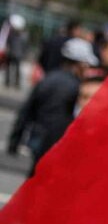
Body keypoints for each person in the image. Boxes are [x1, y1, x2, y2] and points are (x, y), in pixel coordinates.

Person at [6, 36, 98, 176]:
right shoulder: (77, 87)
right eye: (86, 64)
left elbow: (26, 112)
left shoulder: (47, 79)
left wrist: (15, 140)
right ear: (79, 64)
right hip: (60, 144)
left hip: (38, 139)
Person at [1, 14, 28, 89]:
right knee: (9, 69)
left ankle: (15, 83)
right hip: (12, 54)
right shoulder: (13, 35)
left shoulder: (22, 36)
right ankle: (9, 82)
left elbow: (25, 47)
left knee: (16, 70)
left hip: (17, 54)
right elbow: (8, 43)